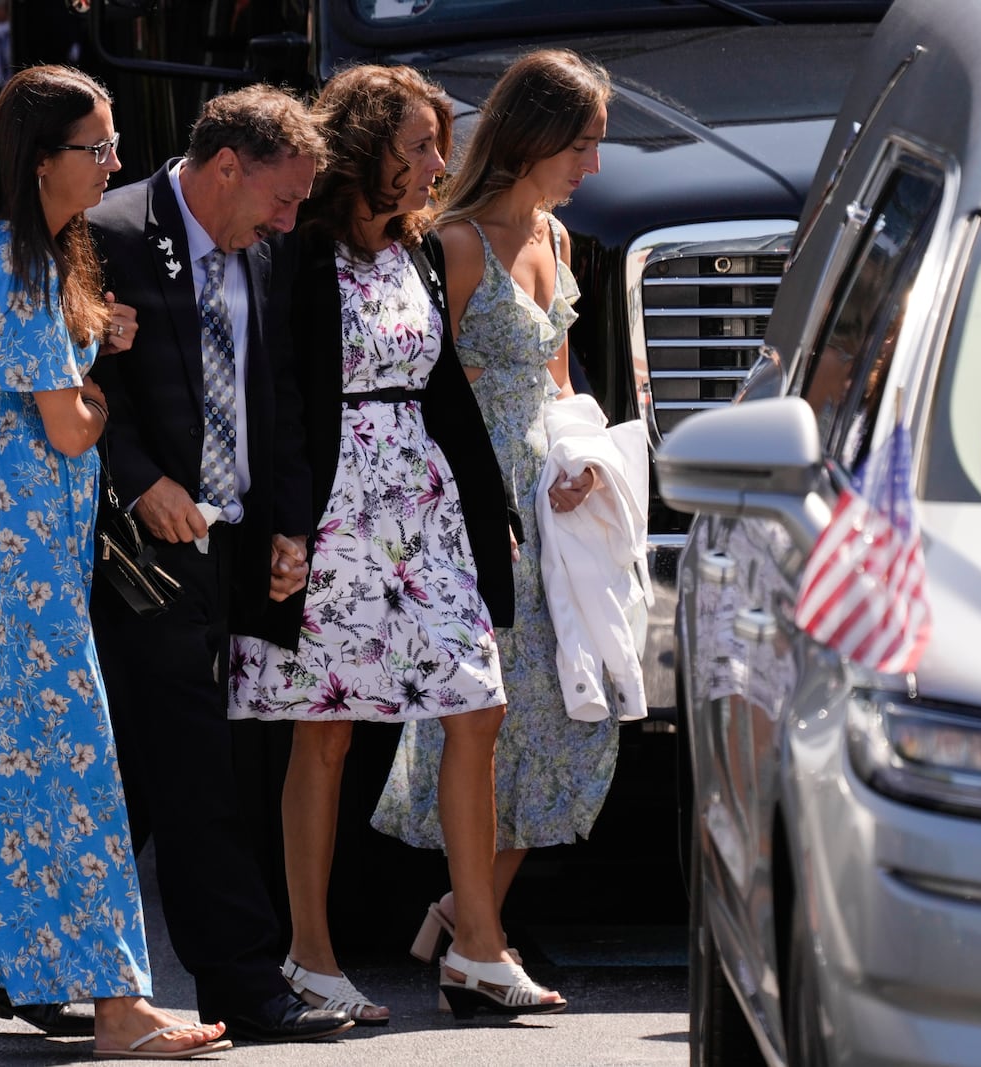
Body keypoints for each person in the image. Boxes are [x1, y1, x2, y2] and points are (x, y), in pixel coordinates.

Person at [0, 63, 229, 1059]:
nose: (114, 162)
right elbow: (71, 429)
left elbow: (40, 379)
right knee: (67, 780)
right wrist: (99, 386)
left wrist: (90, 340)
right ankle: (116, 1006)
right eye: (98, 146)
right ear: (41, 161)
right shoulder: (19, 265)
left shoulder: (11, 258)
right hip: (18, 577)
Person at [227, 63, 565, 1022]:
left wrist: (488, 504)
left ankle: (478, 948)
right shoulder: (299, 251)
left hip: (422, 506)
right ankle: (311, 954)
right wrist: (285, 528)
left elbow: (446, 389)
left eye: (438, 146)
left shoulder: (419, 251)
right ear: (369, 146)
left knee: (477, 701)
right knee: (324, 734)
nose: (436, 164)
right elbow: (282, 397)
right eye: (418, 145)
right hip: (332, 512)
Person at [84, 86, 355, 1044]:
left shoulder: (267, 248)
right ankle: (244, 979)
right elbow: (78, 383)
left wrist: (290, 526)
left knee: (160, 764)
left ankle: (18, 971)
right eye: (282, 199)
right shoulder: (110, 232)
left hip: (236, 538)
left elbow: (275, 389)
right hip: (142, 543)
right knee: (198, 761)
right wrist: (140, 478)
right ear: (227, 166)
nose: (291, 220)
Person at [368, 47, 618, 978]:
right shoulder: (456, 243)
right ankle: (476, 931)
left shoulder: (552, 240)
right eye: (582, 146)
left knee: (572, 716)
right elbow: (433, 392)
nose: (591, 167)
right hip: (476, 507)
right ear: (536, 137)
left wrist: (577, 469)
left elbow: (556, 384)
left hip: (554, 506)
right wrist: (484, 503)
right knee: (489, 720)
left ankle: (458, 910)